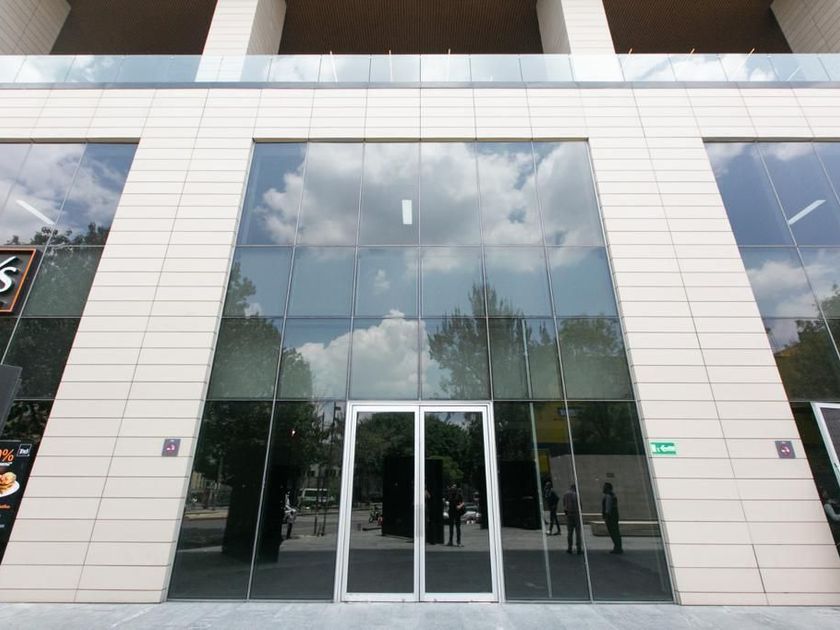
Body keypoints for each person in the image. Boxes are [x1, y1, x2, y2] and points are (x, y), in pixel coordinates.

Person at [601, 482, 622, 554]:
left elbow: (608, 508)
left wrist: (606, 517)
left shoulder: (608, 496)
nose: (603, 488)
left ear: (607, 488)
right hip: (614, 516)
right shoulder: (613, 495)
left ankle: (617, 547)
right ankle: (618, 547)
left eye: (604, 487)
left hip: (611, 517)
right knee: (616, 532)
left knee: (613, 532)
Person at [563, 484, 582, 554]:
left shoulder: (565, 494)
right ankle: (578, 548)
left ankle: (569, 547)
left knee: (569, 532)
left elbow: (564, 504)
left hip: (569, 514)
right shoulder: (576, 494)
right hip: (576, 514)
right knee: (578, 532)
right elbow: (580, 505)